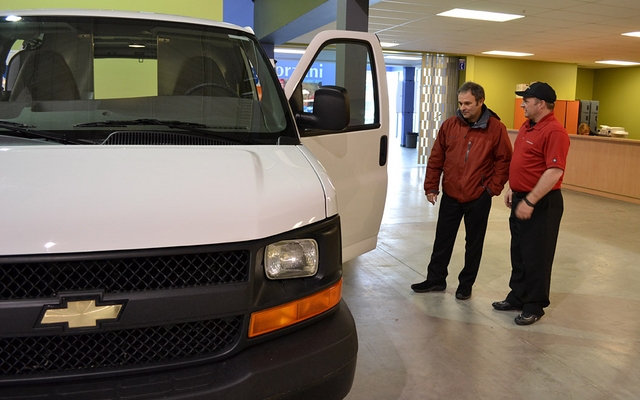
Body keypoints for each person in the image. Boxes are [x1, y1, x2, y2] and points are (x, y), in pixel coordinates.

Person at [411, 81, 513, 300]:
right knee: (442, 239)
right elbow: (437, 157)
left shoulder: (496, 129)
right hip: (451, 194)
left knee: (473, 244)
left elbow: (504, 161)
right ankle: (436, 279)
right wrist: (431, 185)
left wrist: (491, 189)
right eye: (460, 103)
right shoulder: (450, 125)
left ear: (481, 101)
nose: (463, 107)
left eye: (468, 103)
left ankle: (466, 284)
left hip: (478, 196)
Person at [492, 81, 570, 325]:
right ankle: (518, 295)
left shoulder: (554, 131)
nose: (522, 103)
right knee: (520, 252)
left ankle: (535, 304)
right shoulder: (528, 126)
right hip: (520, 196)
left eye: (527, 100)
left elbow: (555, 170)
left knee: (537, 255)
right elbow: (523, 162)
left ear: (541, 104)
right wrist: (512, 188)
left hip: (541, 202)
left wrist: (530, 200)